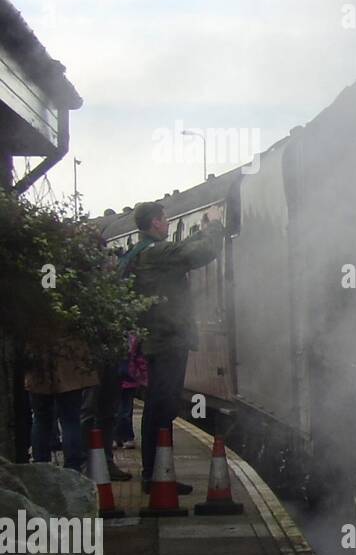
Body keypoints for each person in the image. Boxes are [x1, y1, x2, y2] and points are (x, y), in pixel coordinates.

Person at [119, 202, 225, 493]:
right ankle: (155, 477)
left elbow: (180, 253)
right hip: (168, 339)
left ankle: (156, 473)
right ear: (155, 222)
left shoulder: (146, 252)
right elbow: (203, 253)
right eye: (165, 219)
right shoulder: (156, 254)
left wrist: (199, 231)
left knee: (158, 406)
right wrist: (215, 225)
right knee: (161, 407)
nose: (167, 223)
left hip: (157, 338)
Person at [25, 340, 99, 474]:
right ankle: (73, 470)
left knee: (41, 419)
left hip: (39, 356)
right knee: (71, 420)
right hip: (69, 358)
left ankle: (41, 469)